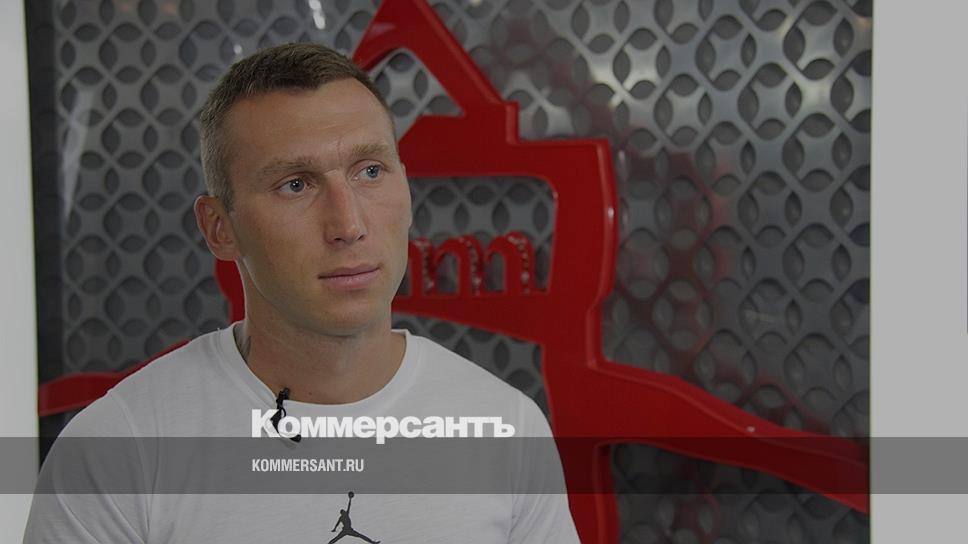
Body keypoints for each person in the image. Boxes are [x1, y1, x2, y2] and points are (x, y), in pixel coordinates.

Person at [23, 43, 580, 543]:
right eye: (295, 184)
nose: (348, 225)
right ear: (220, 228)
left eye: (369, 172)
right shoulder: (119, 451)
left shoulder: (506, 428)